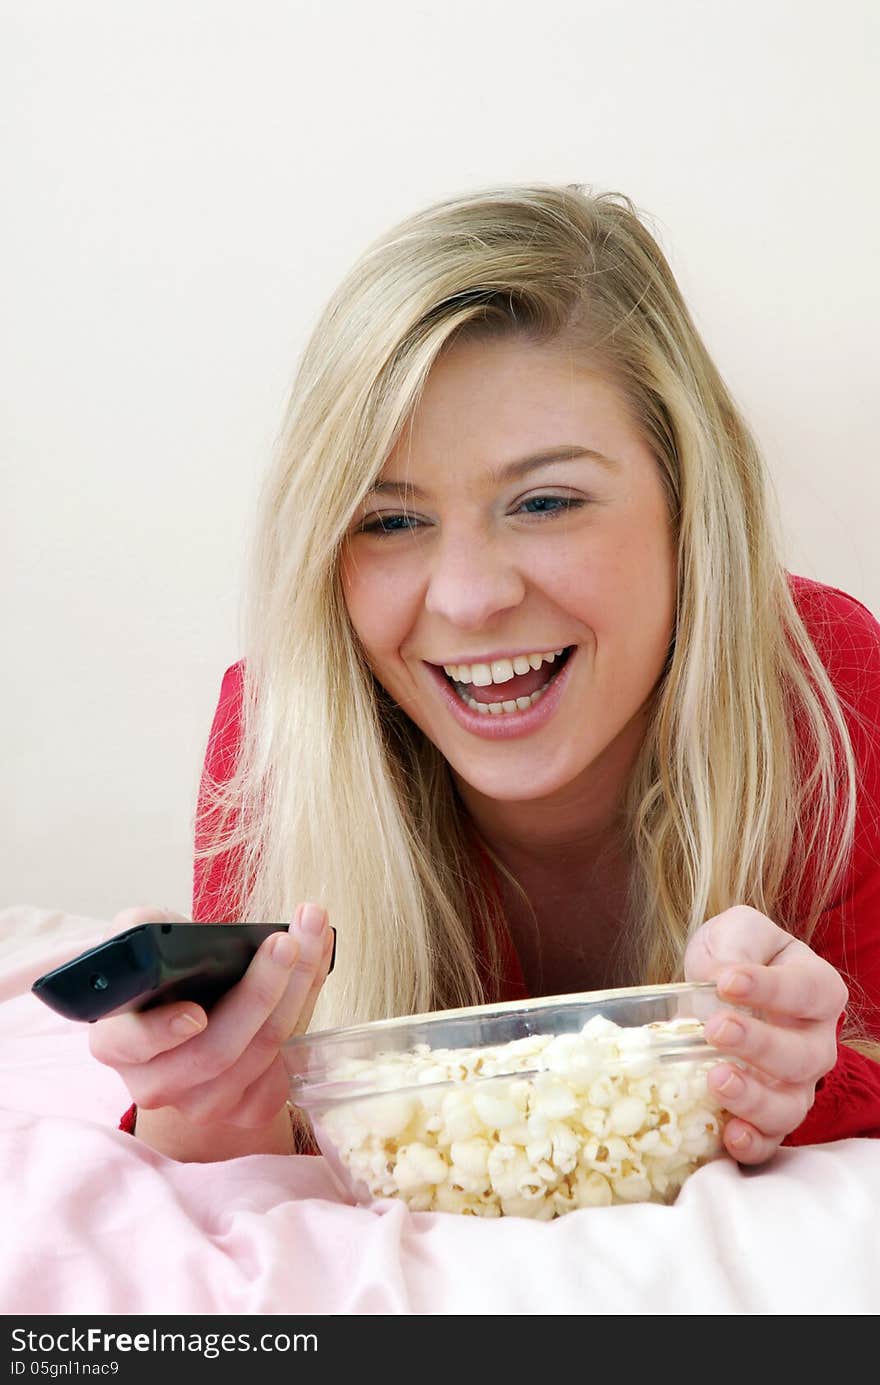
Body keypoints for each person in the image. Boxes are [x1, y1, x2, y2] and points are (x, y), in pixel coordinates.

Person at [90, 182, 880, 1167]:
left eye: (545, 501)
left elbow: (860, 1060)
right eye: (388, 520)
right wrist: (201, 1097)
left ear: (689, 508)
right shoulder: (279, 726)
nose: (466, 597)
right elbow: (229, 1137)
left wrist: (797, 1079)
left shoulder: (824, 680)